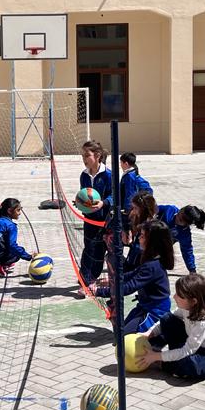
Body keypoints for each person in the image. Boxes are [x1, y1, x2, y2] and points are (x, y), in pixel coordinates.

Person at [135, 273, 205, 380]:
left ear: (194, 301)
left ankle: (164, 363)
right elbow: (167, 319)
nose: (174, 297)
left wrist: (156, 357)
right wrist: (148, 333)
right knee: (167, 319)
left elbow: (187, 351)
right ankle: (159, 353)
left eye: (180, 296)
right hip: (194, 346)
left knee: (191, 364)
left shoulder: (203, 321)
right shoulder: (187, 307)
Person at [94, 219, 173, 336]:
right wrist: (112, 281)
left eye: (142, 236)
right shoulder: (151, 259)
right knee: (120, 335)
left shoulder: (153, 265)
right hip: (144, 306)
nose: (139, 238)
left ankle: (157, 340)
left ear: (151, 241)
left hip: (155, 311)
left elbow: (129, 287)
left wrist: (99, 291)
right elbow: (133, 274)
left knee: (124, 339)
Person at [78, 140, 112, 291]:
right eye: (82, 156)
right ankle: (84, 279)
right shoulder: (84, 176)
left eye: (87, 155)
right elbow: (84, 194)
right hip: (89, 219)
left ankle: (92, 279)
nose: (84, 159)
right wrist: (80, 202)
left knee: (99, 250)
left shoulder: (108, 175)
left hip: (104, 221)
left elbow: (115, 196)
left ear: (97, 155)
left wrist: (103, 203)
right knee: (88, 248)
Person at [0, 198, 34, 275]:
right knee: (18, 252)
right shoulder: (10, 226)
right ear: (9, 211)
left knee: (4, 245)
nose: (20, 213)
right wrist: (29, 257)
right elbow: (12, 246)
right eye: (18, 210)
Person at [156, 204, 205, 274]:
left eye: (182, 220)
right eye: (180, 214)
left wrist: (192, 270)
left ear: (188, 224)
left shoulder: (184, 233)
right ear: (181, 210)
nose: (178, 219)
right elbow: (151, 209)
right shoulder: (169, 210)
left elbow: (187, 251)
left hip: (159, 248)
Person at [118, 153, 152, 220]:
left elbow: (130, 193)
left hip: (132, 207)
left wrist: (127, 209)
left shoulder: (129, 176)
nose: (120, 165)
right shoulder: (133, 171)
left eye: (121, 163)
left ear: (126, 164)